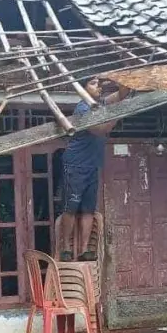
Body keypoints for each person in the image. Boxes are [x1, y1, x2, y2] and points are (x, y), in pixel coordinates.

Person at [59, 76, 131, 262]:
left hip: (92, 165)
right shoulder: (83, 108)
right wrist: (120, 112)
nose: (98, 86)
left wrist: (115, 78)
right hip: (75, 165)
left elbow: (123, 93)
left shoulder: (101, 104)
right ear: (82, 89)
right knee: (71, 208)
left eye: (98, 83)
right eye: (92, 83)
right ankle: (65, 248)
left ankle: (84, 250)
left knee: (88, 209)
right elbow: (100, 129)